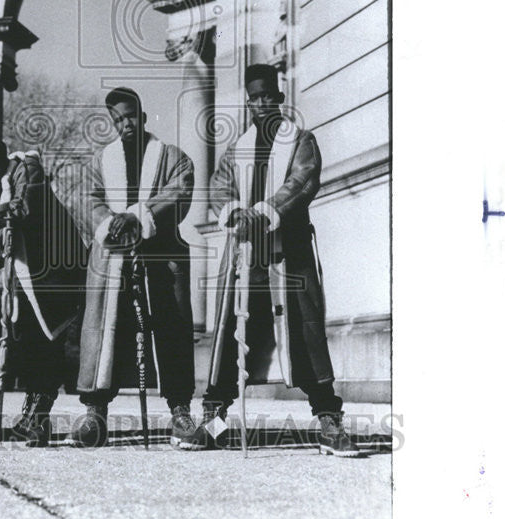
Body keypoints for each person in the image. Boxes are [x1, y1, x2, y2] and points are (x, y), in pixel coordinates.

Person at [192, 63, 361, 457]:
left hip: (290, 254)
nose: (262, 103)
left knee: (305, 334)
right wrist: (234, 210)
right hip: (246, 257)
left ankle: (328, 422)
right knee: (233, 334)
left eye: (269, 96)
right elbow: (220, 187)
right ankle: (214, 422)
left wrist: (265, 210)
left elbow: (302, 181)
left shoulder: (301, 140)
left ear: (279, 98)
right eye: (255, 98)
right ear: (248, 102)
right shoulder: (237, 149)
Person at [70, 87, 198, 449]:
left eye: (129, 116)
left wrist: (139, 216)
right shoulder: (101, 160)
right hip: (111, 259)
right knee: (105, 333)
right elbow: (87, 196)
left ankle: (180, 412)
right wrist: (110, 223)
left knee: (169, 331)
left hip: (160, 256)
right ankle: (95, 411)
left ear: (141, 115)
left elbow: (180, 189)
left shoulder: (173, 156)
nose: (125, 124)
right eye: (117, 120)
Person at [0, 139, 85, 446]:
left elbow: (22, 207)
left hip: (57, 270)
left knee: (49, 341)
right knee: (30, 343)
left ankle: (39, 419)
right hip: (22, 280)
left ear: (4, 162)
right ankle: (30, 415)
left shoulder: (27, 169)